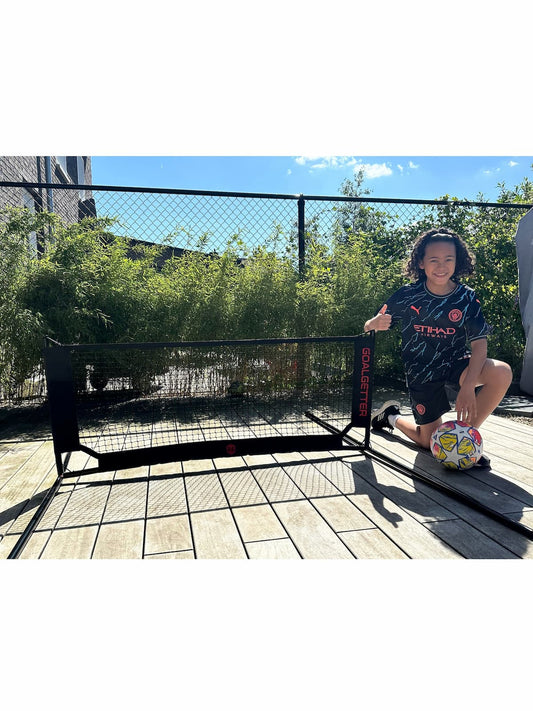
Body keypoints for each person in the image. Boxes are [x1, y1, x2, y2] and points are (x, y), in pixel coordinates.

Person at [364, 227, 512, 468]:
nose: (441, 266)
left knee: (502, 372)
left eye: (448, 259)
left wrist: (467, 388)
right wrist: (374, 323)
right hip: (421, 371)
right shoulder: (407, 295)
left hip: (456, 364)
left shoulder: (467, 297)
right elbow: (369, 324)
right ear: (421, 262)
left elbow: (479, 347)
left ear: (457, 262)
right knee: (427, 442)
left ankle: (463, 442)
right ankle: (390, 417)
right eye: (434, 260)